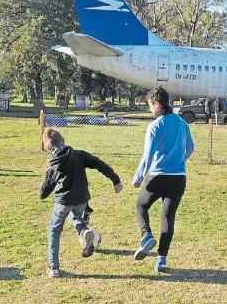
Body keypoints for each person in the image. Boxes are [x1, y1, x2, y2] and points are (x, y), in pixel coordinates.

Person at [39, 128, 122, 277]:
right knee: (76, 217)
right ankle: (84, 232)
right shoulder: (80, 155)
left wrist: (44, 191)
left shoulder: (52, 162)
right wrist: (115, 180)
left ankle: (53, 267)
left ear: (48, 146)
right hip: (81, 198)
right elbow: (98, 163)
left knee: (55, 230)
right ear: (63, 140)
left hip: (62, 201)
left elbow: (44, 191)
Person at [132, 87, 195, 273]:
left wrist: (138, 178)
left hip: (158, 176)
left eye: (150, 105)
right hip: (178, 178)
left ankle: (146, 236)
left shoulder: (155, 125)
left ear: (157, 104)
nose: (150, 109)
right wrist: (180, 161)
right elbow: (191, 147)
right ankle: (161, 259)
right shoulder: (182, 123)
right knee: (168, 218)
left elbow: (148, 156)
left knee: (141, 206)